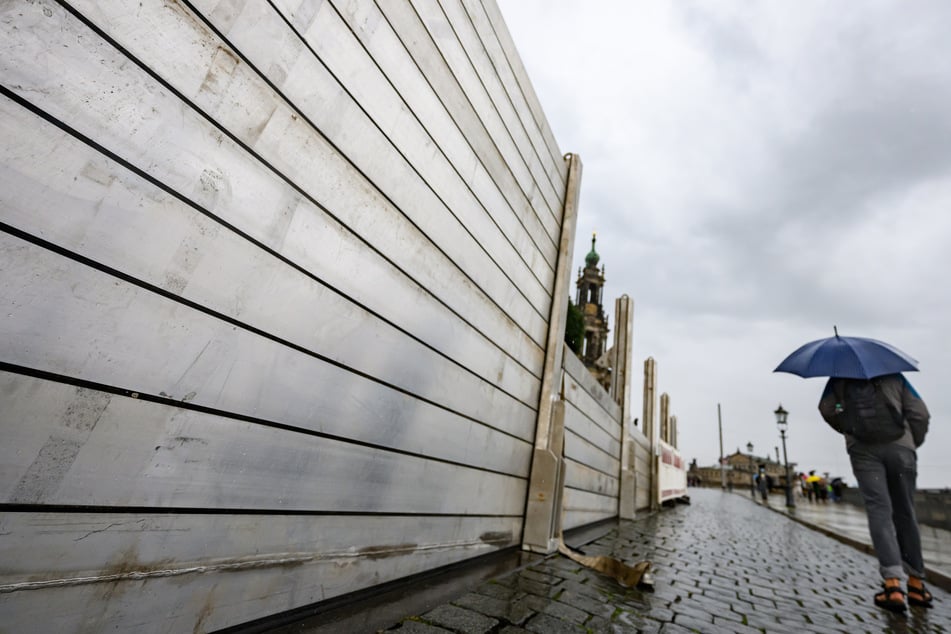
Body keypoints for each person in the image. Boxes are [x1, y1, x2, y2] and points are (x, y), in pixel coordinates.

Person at [818, 372, 932, 613]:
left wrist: (848, 426)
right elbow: (920, 413)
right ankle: (916, 584)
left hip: (863, 451)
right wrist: (911, 442)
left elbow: (827, 409)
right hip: (901, 448)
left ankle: (892, 586)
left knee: (879, 511)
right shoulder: (896, 376)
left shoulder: (838, 379)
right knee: (905, 512)